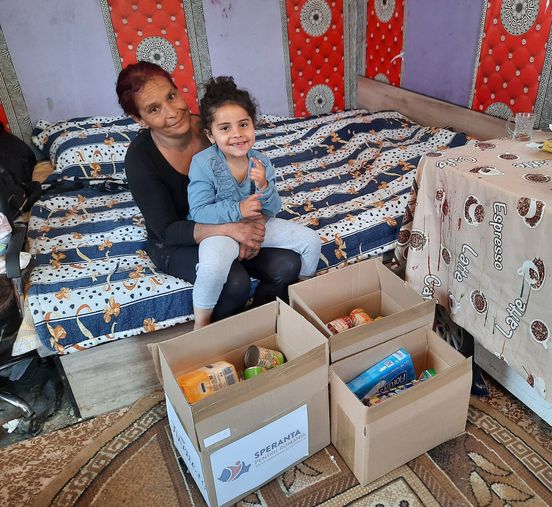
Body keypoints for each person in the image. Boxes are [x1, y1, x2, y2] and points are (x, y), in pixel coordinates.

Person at [116, 61, 302, 326]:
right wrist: (232, 230)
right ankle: (211, 338)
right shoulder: (140, 159)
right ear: (139, 119)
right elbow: (166, 230)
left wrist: (254, 226)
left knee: (288, 264)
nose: (172, 112)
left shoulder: (215, 128)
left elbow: (247, 184)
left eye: (172, 96)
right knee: (234, 283)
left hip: (233, 220)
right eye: (154, 109)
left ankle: (259, 327)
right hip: (178, 239)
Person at [187, 76, 321, 328]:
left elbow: (272, 209)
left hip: (257, 224)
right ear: (210, 135)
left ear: (253, 125)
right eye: (225, 128)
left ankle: (300, 297)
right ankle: (201, 323)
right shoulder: (202, 163)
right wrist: (238, 209)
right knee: (212, 267)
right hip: (221, 231)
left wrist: (264, 186)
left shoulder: (261, 162)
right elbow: (199, 211)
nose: (237, 134)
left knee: (311, 241)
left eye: (243, 124)